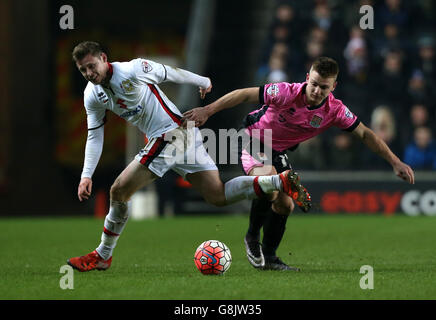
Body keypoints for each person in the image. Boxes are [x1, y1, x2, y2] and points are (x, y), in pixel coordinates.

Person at [67, 41, 310, 272]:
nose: (89, 72)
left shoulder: (132, 69)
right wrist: (86, 175)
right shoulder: (92, 94)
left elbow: (169, 73)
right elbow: (95, 135)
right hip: (182, 135)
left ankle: (102, 255)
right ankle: (278, 181)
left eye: (92, 66)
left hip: (172, 134)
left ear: (103, 59)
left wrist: (202, 81)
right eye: (83, 70)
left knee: (118, 191)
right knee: (217, 195)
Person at [182, 56, 415, 271]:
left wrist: (395, 162)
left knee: (285, 206)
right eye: (314, 83)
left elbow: (365, 134)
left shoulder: (334, 110)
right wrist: (208, 110)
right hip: (251, 138)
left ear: (333, 87)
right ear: (307, 78)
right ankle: (252, 238)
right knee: (269, 182)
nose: (317, 90)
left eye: (324, 87)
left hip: (279, 151)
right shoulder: (285, 92)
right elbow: (244, 94)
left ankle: (270, 257)